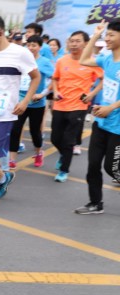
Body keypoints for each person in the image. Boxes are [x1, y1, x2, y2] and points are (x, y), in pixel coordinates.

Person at [0, 15, 40, 214]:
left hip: (4, 115)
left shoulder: (20, 53)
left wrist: (25, 101)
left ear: (1, 33)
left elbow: (35, 77)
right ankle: (3, 178)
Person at [74, 20, 120, 214]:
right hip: (101, 122)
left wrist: (111, 107)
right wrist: (95, 35)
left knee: (112, 168)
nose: (107, 38)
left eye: (111, 35)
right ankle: (95, 203)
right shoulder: (107, 58)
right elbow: (84, 60)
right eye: (106, 35)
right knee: (93, 165)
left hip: (117, 127)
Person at [50, 31, 103, 183]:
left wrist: (92, 94)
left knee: (68, 140)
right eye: (72, 41)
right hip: (60, 105)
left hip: (78, 106)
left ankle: (64, 170)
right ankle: (63, 155)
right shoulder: (62, 61)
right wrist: (56, 91)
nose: (74, 44)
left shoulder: (91, 62)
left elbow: (103, 79)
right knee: (55, 138)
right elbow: (55, 78)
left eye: (78, 41)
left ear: (86, 44)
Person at [9, 35, 55, 169]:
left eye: (34, 45)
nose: (30, 48)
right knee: (15, 130)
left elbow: (55, 79)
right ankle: (12, 159)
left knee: (35, 132)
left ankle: (38, 152)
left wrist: (42, 94)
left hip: (37, 104)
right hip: (20, 102)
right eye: (28, 45)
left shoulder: (44, 62)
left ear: (40, 47)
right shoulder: (20, 60)